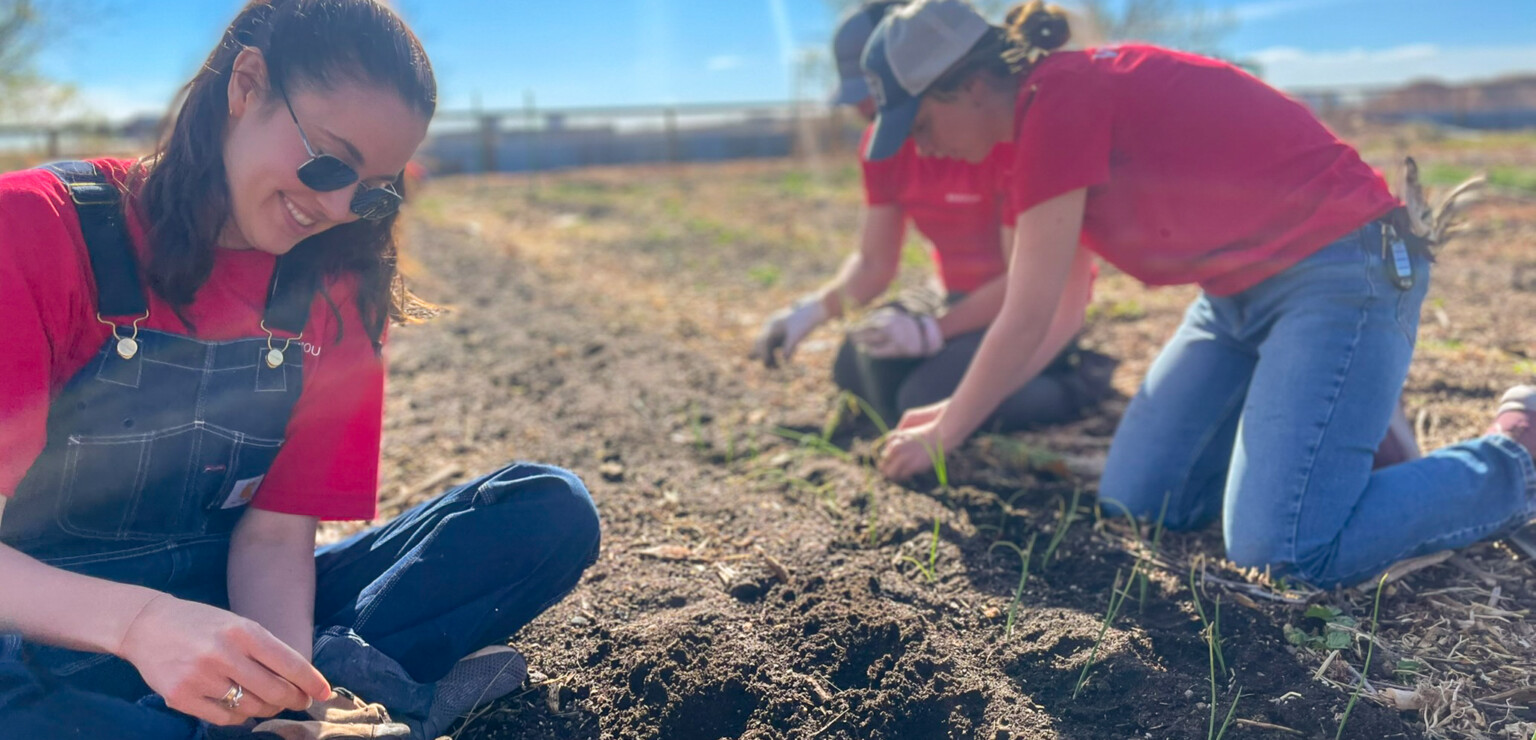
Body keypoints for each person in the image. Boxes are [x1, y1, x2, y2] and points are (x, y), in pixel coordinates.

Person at [0, 1, 600, 738]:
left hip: (225, 612)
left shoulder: (337, 289)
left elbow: (275, 538)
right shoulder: (36, 229)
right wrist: (142, 626)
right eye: (329, 161)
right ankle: (348, 689)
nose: (340, 206)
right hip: (39, 619)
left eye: (375, 189)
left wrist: (283, 690)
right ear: (246, 84)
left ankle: (269, 711)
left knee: (546, 510)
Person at [869, 0, 1523, 589]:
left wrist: (950, 426)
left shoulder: (1058, 103)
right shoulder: (1030, 131)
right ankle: (1331, 426)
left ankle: (1515, 457)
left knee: (1285, 552)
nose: (921, 147)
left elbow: (1026, 315)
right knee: (1141, 501)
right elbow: (1056, 312)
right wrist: (952, 415)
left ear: (973, 84)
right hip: (1234, 298)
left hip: (1342, 269)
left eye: (921, 123)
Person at [751, 0, 1115, 433]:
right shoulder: (884, 149)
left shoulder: (990, 133)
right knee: (855, 368)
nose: (867, 115)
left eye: (874, 99)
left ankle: (1079, 379)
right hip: (954, 296)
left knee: (923, 398)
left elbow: (1022, 290)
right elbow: (872, 265)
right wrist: (807, 314)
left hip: (1026, 313)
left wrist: (933, 331)